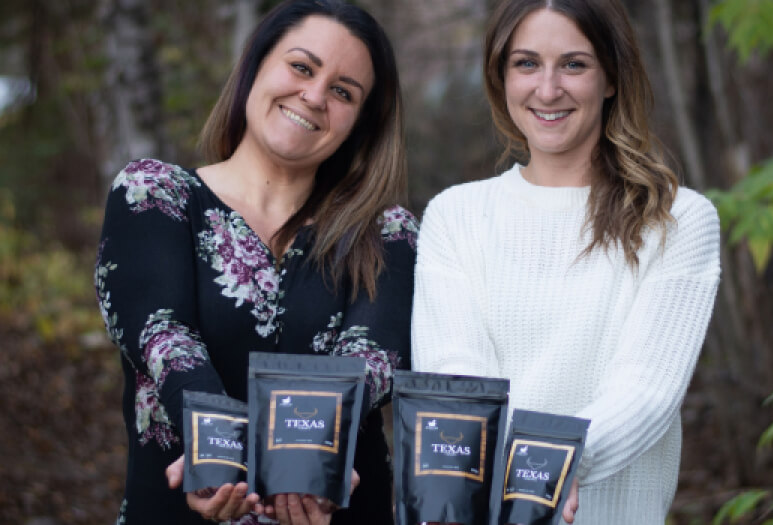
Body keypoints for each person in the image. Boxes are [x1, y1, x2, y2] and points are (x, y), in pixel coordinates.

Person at [94, 1, 418, 524]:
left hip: (333, 510)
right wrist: (220, 453)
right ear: (255, 67)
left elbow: (371, 361)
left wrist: (309, 463)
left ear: (361, 120)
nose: (313, 96)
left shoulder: (386, 232)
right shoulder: (154, 195)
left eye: (343, 91)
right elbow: (163, 337)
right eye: (301, 67)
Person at [411, 0, 721, 523]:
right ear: (501, 76)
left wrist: (552, 463)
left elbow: (645, 390)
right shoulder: (455, 215)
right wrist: (517, 473)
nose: (548, 89)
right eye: (526, 63)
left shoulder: (677, 219)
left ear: (610, 78)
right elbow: (457, 377)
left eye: (574, 64)